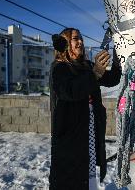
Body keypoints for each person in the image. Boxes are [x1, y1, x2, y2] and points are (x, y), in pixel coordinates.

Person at [49, 27, 121, 190]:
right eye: (75, 38)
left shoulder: (87, 66)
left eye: (80, 38)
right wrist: (95, 73)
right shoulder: (59, 68)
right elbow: (70, 91)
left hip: (89, 131)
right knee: (69, 179)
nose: (80, 41)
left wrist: (118, 55)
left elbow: (112, 79)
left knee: (88, 177)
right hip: (70, 136)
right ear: (65, 44)